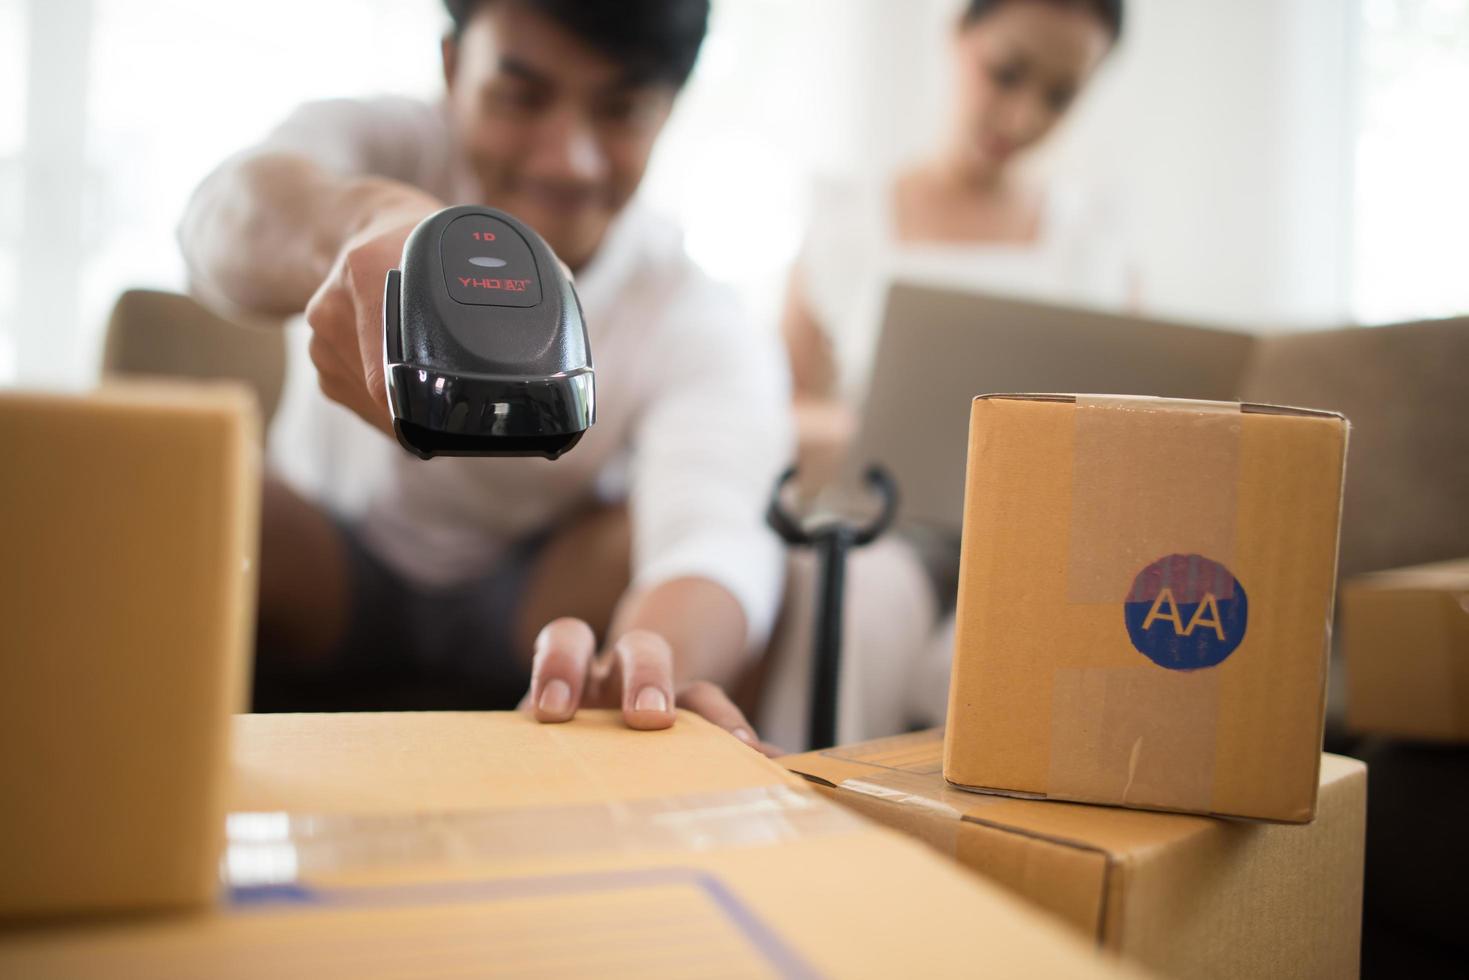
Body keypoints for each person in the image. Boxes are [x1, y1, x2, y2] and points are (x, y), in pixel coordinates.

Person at [178, 0, 790, 751]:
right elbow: (215, 218)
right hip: (330, 561)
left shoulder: (691, 305)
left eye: (621, 110)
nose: (569, 158)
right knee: (185, 492)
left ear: (668, 111)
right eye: (521, 96)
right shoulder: (382, 143)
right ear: (451, 64)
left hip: (532, 600)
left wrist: (654, 661)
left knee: (661, 539)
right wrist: (359, 226)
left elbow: (714, 535)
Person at [761, 0, 1129, 746]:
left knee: (1009, 634)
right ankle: (802, 824)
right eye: (1005, 73)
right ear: (959, 35)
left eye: (1058, 95)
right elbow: (783, 408)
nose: (1022, 115)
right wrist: (869, 435)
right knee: (855, 603)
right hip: (887, 529)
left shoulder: (1093, 242)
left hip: (1048, 545)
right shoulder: (846, 222)